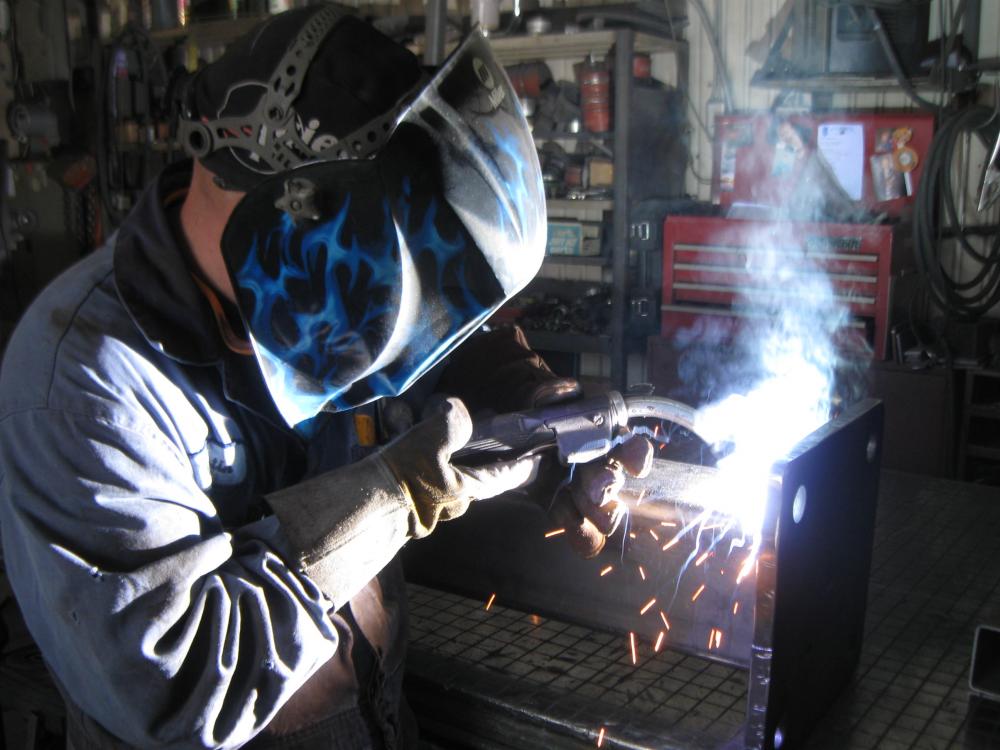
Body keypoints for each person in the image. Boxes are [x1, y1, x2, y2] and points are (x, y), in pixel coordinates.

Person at [0, 6, 650, 750]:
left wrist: (529, 406)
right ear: (294, 204)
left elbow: (435, 345)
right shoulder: (83, 383)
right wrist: (393, 497)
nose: (383, 306)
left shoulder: (319, 304)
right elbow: (181, 689)